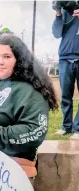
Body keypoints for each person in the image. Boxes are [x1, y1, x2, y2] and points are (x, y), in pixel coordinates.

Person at [0, 35, 58, 184]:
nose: (0, 62)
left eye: (7, 56)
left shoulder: (29, 91)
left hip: (11, 173)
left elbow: (35, 131)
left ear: (19, 60)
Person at [52, 2, 79, 139]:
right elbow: (57, 34)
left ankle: (78, 128)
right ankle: (66, 127)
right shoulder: (64, 12)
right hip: (65, 59)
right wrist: (58, 13)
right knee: (65, 97)